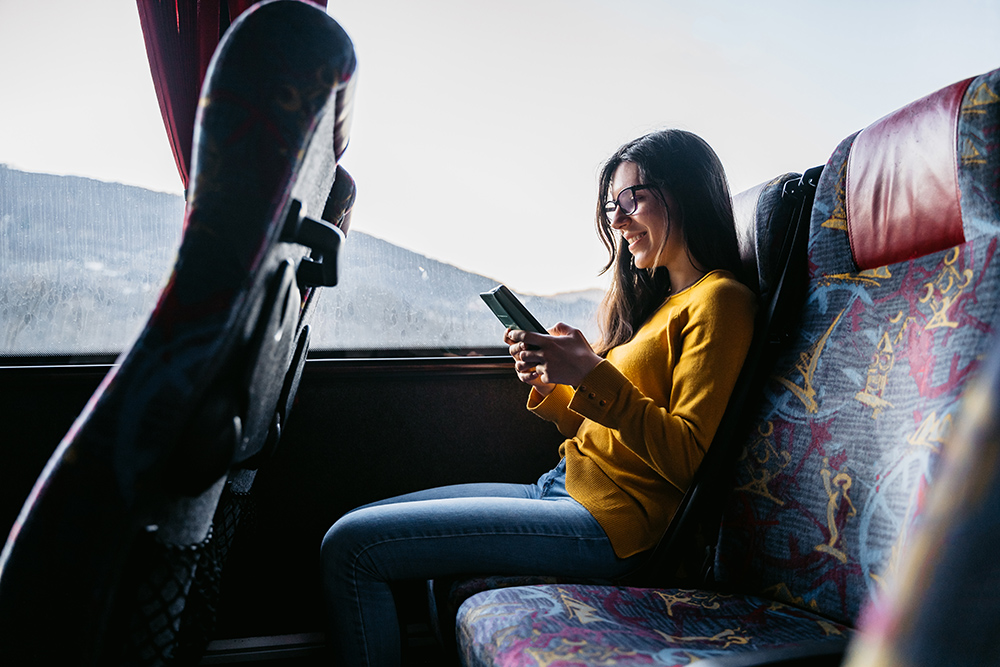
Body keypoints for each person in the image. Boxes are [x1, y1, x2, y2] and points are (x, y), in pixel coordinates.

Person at [320, 129, 757, 666]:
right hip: (559, 487)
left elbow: (689, 461)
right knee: (360, 521)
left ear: (685, 192)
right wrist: (554, 388)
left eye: (631, 200)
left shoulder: (722, 302)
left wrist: (592, 373)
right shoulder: (659, 305)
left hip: (613, 524)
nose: (617, 222)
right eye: (610, 206)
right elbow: (605, 430)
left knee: (351, 548)